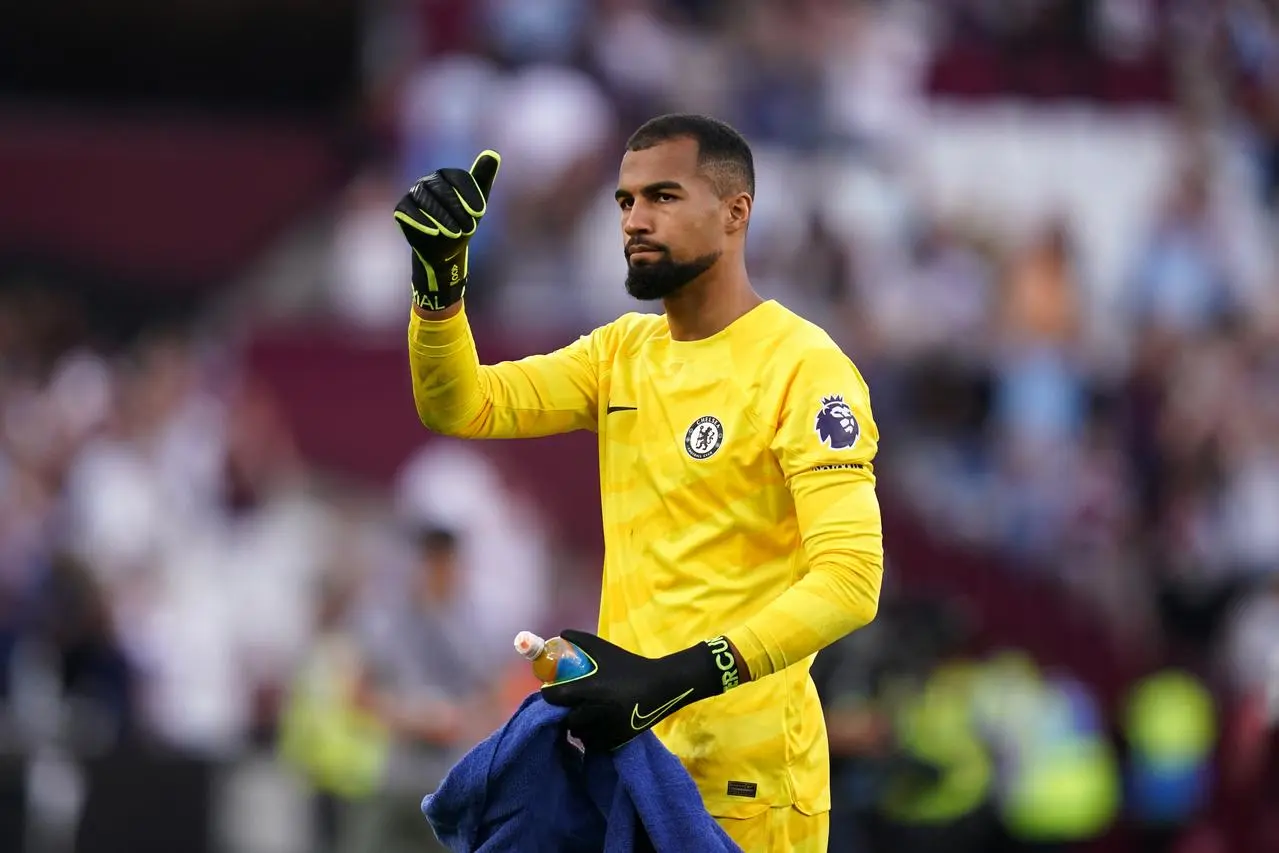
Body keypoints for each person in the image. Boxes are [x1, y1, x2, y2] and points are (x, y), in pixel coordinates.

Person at [392, 113, 884, 852]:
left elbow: (850, 580)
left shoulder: (803, 367)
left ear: (734, 212)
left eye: (661, 196)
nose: (635, 219)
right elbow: (462, 402)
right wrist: (439, 291)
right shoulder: (621, 352)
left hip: (745, 786)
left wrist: (673, 678)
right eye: (625, 202)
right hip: (630, 763)